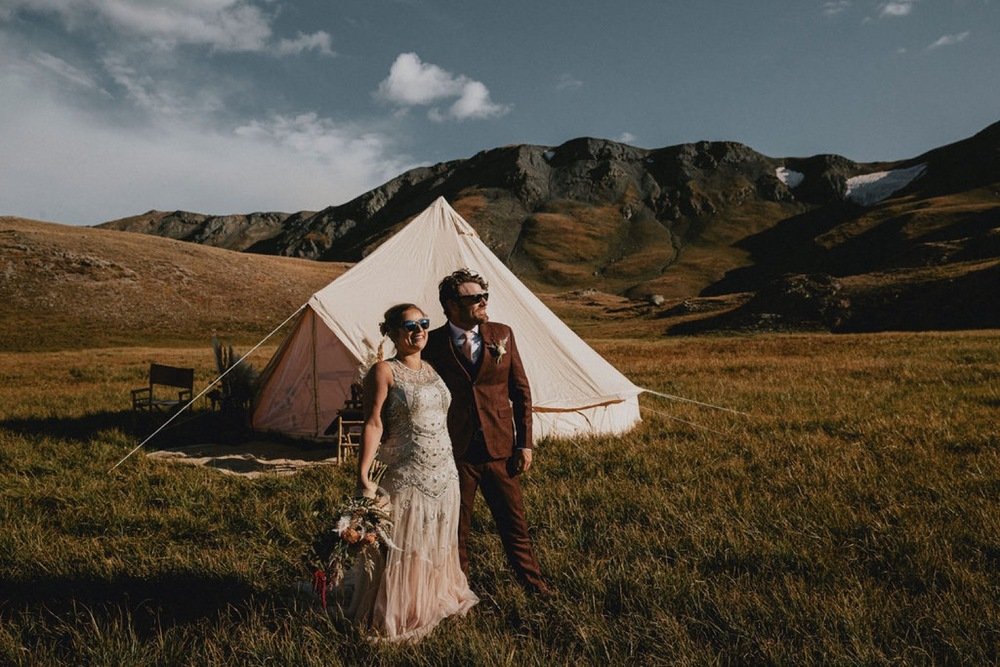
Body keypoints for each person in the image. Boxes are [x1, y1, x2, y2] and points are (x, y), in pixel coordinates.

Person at [345, 302, 478, 642]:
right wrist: (363, 474)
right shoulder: (383, 371)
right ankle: (399, 609)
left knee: (435, 541)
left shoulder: (432, 369)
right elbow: (373, 422)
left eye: (423, 323)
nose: (418, 330)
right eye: (409, 326)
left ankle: (430, 598)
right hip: (407, 473)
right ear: (391, 332)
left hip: (444, 472)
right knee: (403, 543)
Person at [422, 269, 551, 597]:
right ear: (451, 305)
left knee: (515, 525)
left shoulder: (502, 334)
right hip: (455, 452)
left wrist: (525, 444)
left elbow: (521, 391)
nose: (482, 302)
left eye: (485, 296)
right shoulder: (433, 343)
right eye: (473, 297)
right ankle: (458, 593)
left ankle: (534, 587)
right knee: (456, 530)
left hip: (500, 448)